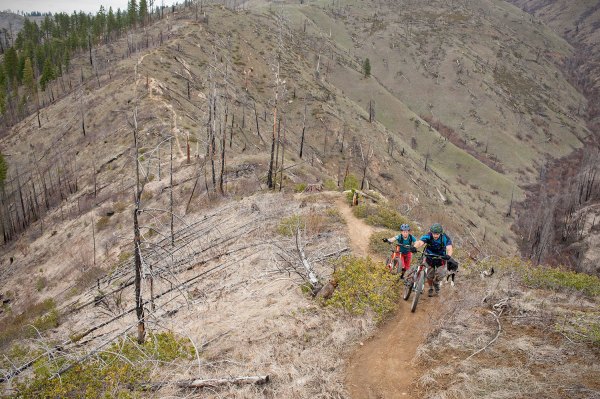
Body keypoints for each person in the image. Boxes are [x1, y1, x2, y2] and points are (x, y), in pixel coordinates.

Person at [412, 223, 453, 297]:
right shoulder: (429, 236)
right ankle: (430, 288)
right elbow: (420, 242)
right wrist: (415, 247)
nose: (435, 236)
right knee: (429, 276)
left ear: (440, 233)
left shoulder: (445, 238)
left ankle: (436, 283)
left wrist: (448, 255)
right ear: (431, 232)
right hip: (429, 257)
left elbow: (449, 248)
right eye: (434, 233)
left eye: (437, 234)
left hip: (441, 258)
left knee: (441, 274)